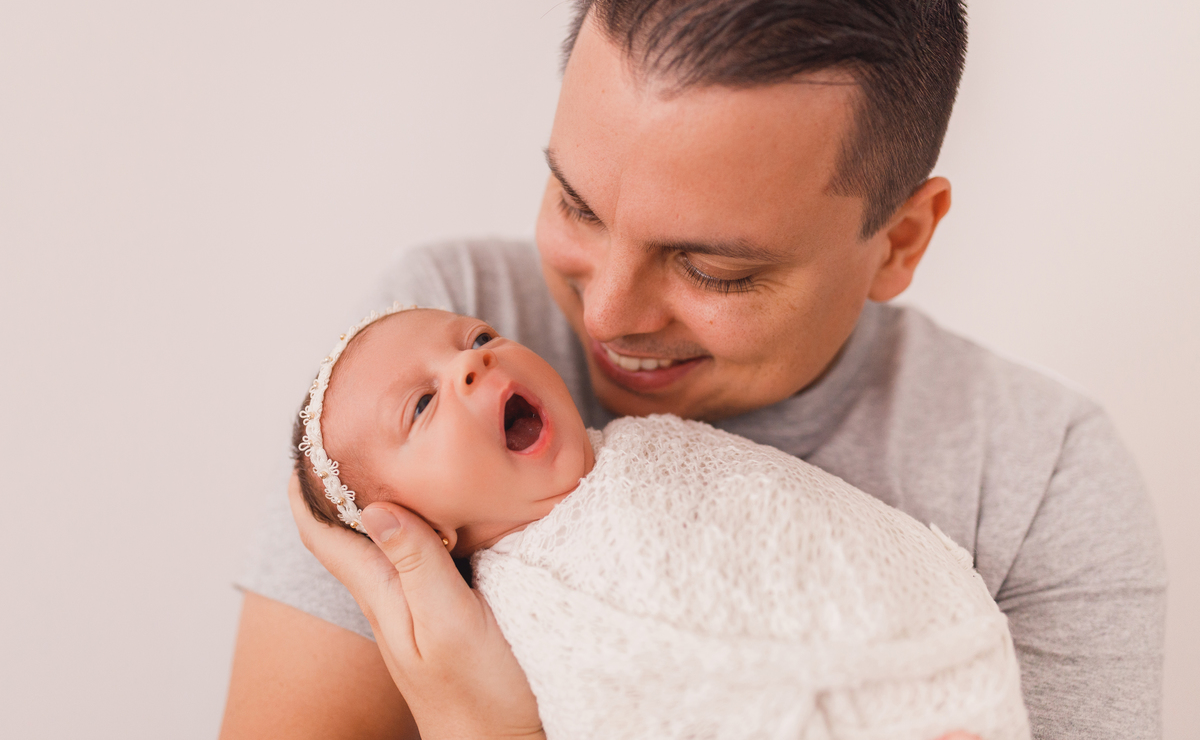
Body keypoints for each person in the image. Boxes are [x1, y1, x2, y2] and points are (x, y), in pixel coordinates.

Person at [220, 0, 1166, 739]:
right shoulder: (426, 335)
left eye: (712, 269)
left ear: (901, 241)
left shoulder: (1037, 481)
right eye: (576, 206)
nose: (605, 317)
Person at [293, 304, 1029, 739]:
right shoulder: (523, 614)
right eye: (420, 406)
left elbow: (785, 515)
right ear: (420, 529)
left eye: (478, 339)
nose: (470, 368)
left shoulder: (654, 444)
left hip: (938, 645)